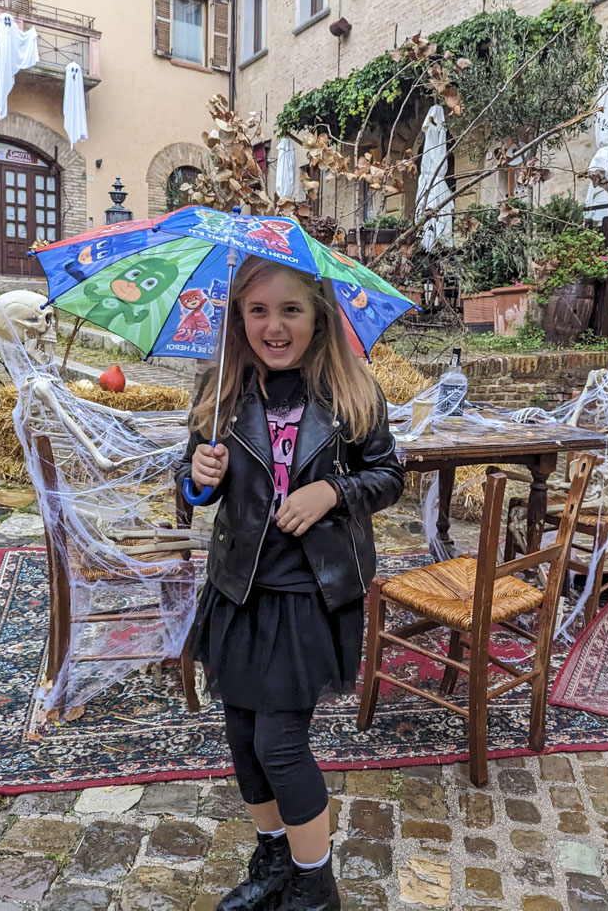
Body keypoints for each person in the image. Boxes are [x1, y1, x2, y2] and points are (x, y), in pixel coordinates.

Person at [178, 257, 404, 911]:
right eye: (257, 310)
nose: (273, 326)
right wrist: (200, 475)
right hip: (239, 590)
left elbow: (388, 476)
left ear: (319, 316)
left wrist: (333, 489)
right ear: (238, 318)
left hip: (310, 593)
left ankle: (315, 887)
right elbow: (186, 488)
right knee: (243, 739)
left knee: (279, 742)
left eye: (290, 310)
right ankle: (273, 857)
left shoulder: (350, 393)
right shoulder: (219, 390)